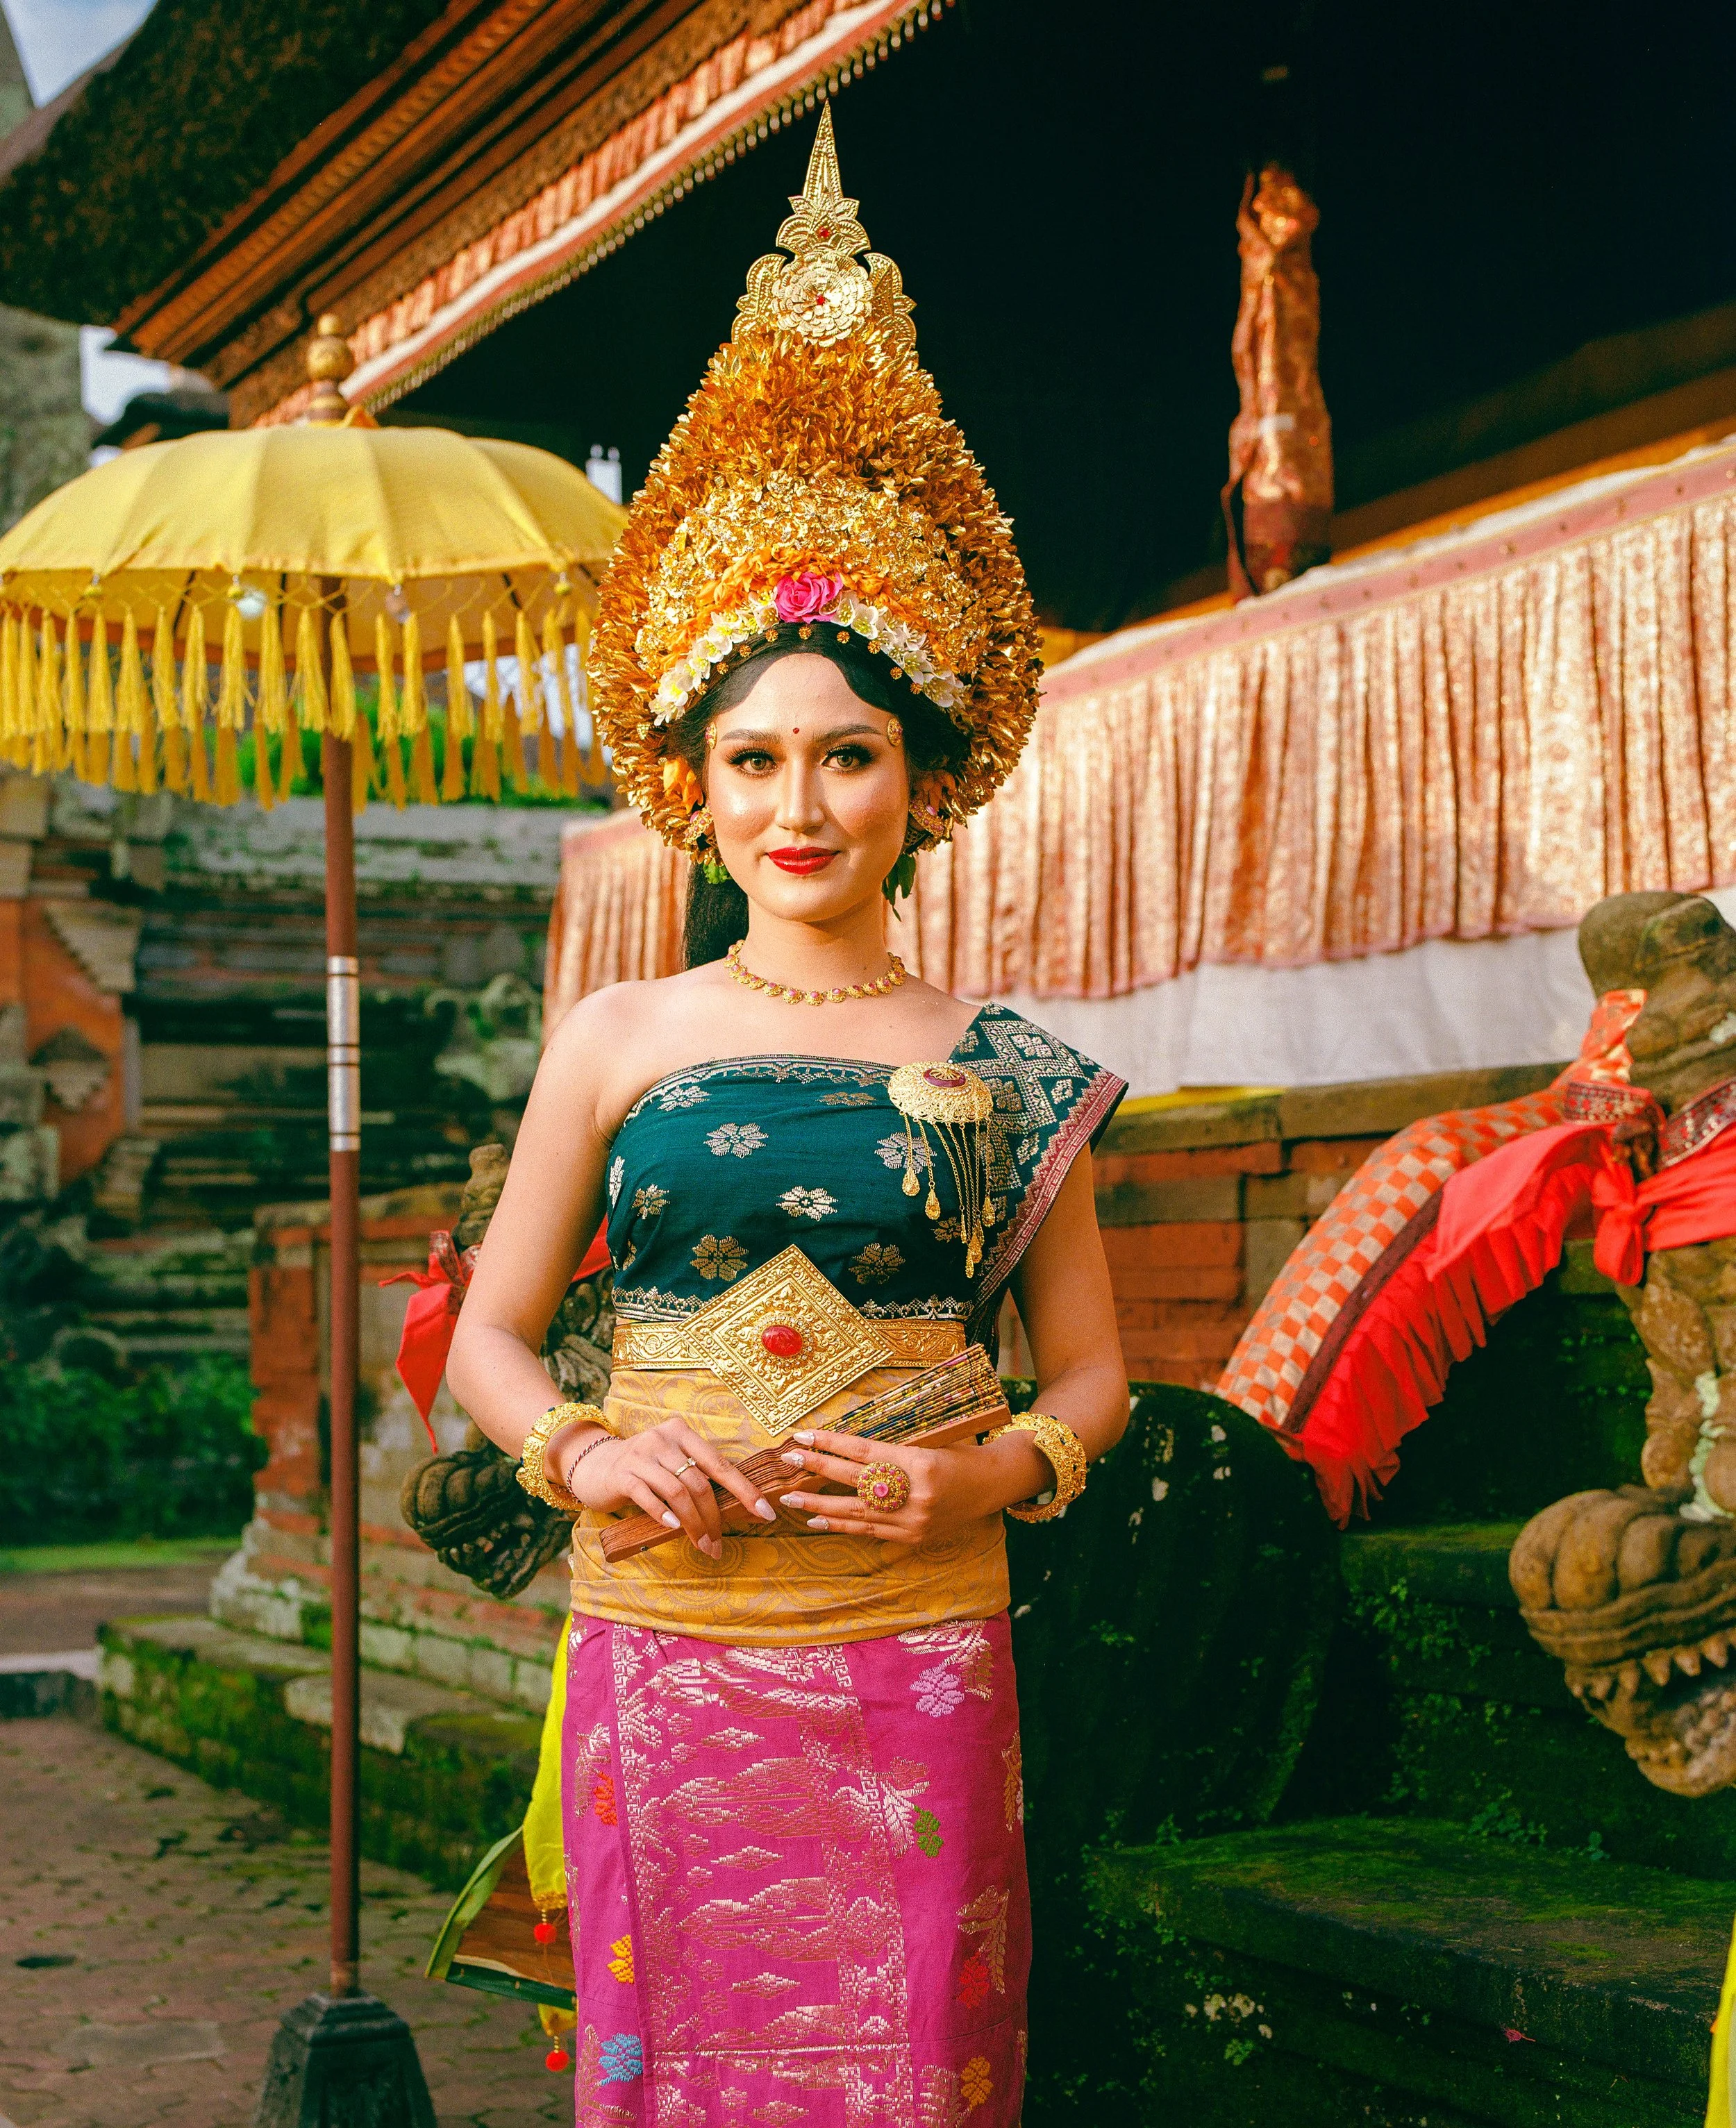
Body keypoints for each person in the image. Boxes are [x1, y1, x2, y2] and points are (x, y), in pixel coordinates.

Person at [446, 106, 1128, 2126]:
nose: (799, 806)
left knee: (911, 2060)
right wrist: (578, 1448)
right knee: (686, 2072)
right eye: (754, 761)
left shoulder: (1007, 1064)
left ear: (923, 777)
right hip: (663, 1633)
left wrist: (982, 1479)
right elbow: (490, 1337)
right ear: (693, 785)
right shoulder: (613, 1035)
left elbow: (1091, 1377)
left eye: (846, 756)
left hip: (916, 1630)